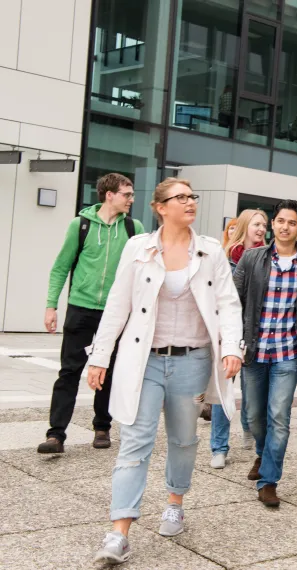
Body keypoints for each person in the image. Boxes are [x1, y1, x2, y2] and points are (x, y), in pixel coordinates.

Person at [90, 178, 243, 564]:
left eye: (193, 196)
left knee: (183, 440)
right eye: (181, 198)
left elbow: (228, 303)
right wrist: (100, 356)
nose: (190, 202)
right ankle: (119, 532)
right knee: (135, 441)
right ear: (160, 207)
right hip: (144, 361)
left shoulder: (210, 251)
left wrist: (231, 348)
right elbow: (118, 304)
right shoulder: (138, 248)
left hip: (192, 361)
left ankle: (175, 503)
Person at [38, 173, 144, 455]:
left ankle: (102, 427)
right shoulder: (80, 225)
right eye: (127, 194)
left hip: (115, 312)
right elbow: (61, 266)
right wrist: (51, 305)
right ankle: (56, 435)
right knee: (69, 372)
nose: (131, 200)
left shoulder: (134, 228)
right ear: (109, 195)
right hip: (81, 307)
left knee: (108, 370)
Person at [234, 199, 297, 508]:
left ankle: (269, 480)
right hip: (254, 351)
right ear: (273, 224)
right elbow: (233, 301)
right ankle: (263, 454)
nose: (285, 227)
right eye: (281, 221)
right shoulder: (252, 258)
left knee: (279, 416)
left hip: (289, 352)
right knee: (254, 415)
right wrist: (229, 344)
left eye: (292, 223)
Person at [210, 209, 269, 469]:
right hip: (229, 333)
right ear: (245, 226)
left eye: (264, 225)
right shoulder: (225, 258)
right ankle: (219, 447)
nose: (262, 229)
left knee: (252, 391)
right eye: (257, 224)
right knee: (223, 392)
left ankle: (249, 428)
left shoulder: (269, 258)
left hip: (256, 333)